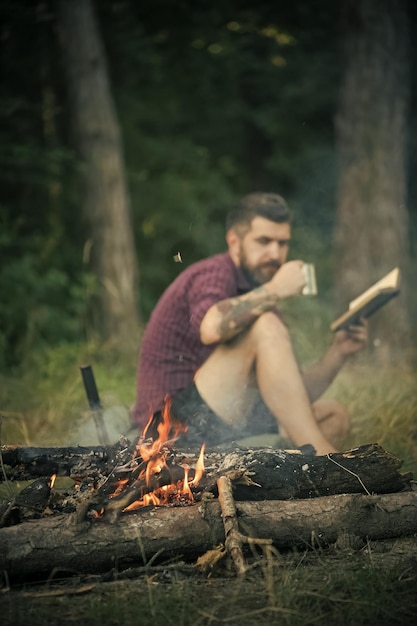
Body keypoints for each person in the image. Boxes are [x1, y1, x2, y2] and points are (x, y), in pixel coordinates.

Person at [132, 192, 368, 455]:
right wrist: (276, 288)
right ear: (234, 242)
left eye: (283, 243)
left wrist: (339, 352)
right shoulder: (214, 273)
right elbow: (211, 327)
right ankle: (326, 458)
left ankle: (300, 477)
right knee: (264, 325)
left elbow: (290, 397)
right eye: (264, 241)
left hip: (224, 425)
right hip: (167, 431)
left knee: (333, 415)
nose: (275, 253)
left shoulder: (259, 298)